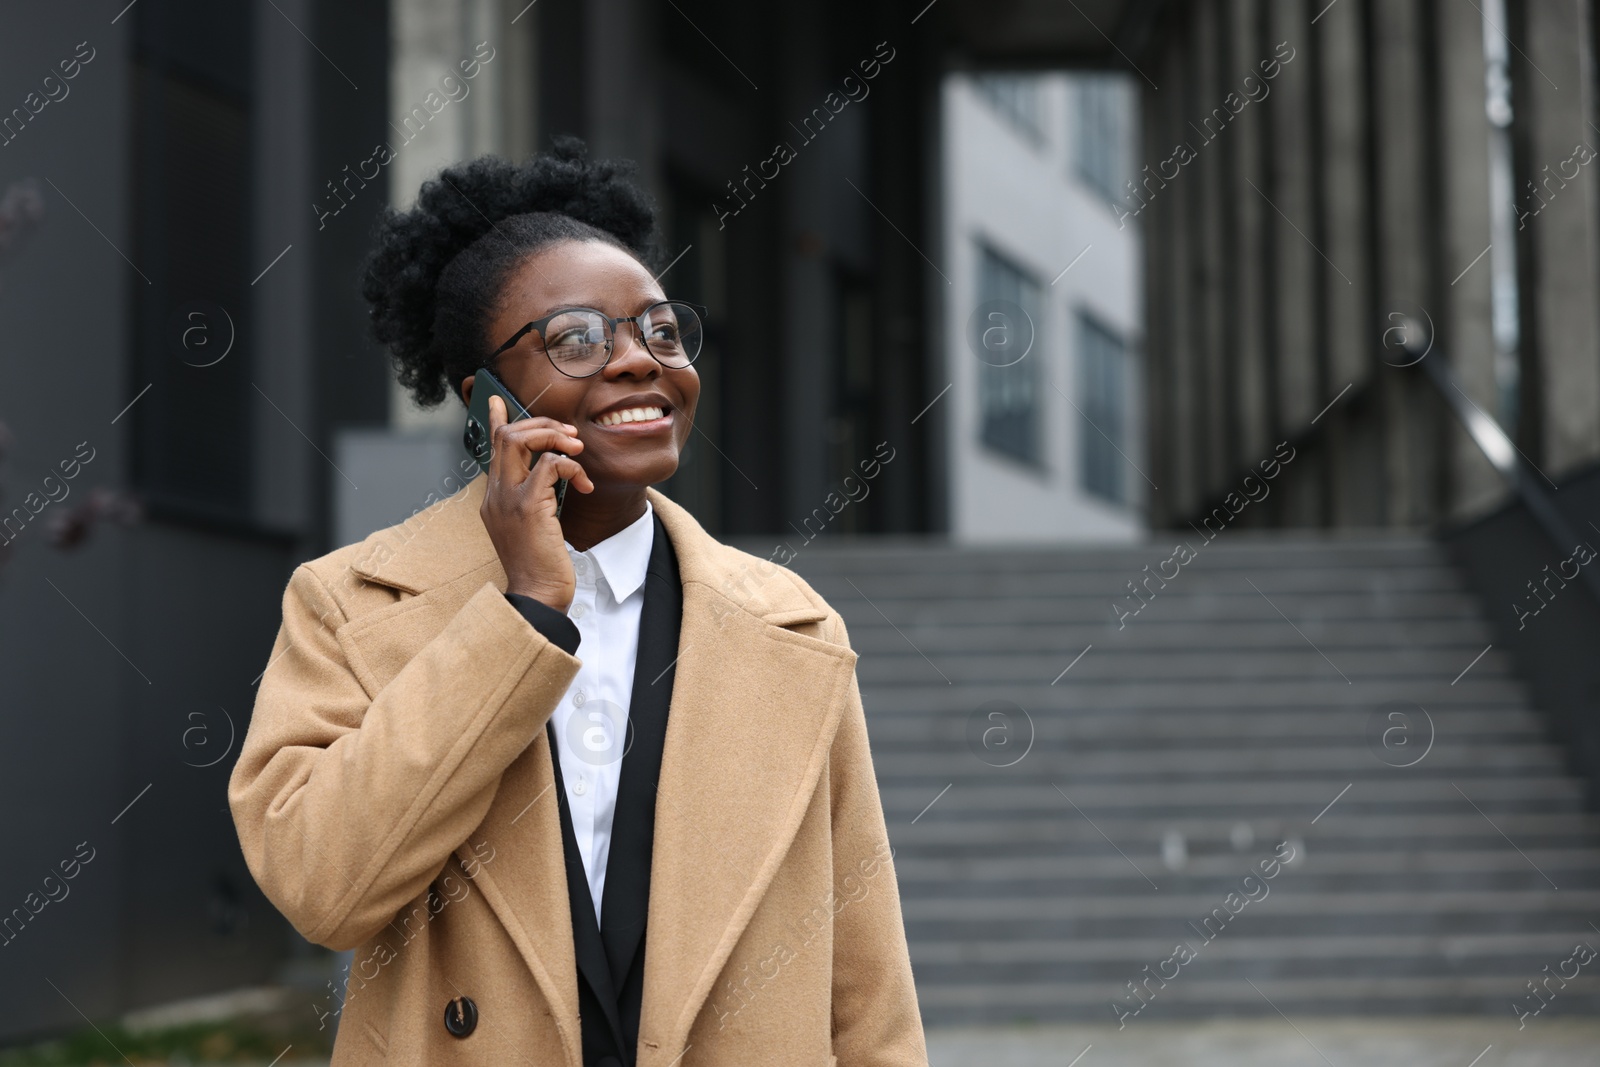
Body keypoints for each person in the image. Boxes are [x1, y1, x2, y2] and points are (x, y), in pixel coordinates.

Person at [227, 138, 927, 1066]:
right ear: (487, 403)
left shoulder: (792, 626)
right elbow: (323, 888)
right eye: (577, 338)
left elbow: (867, 985)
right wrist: (523, 614)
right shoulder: (351, 605)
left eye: (661, 329)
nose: (640, 361)